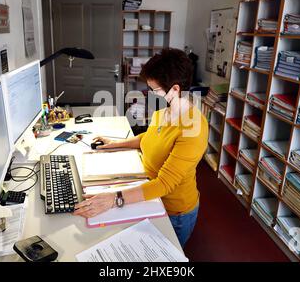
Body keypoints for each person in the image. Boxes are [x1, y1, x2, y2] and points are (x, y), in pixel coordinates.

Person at [75, 48, 209, 247]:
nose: (150, 93)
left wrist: (114, 199)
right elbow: (149, 138)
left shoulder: (193, 128)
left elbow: (164, 184)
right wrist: (114, 144)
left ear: (175, 89)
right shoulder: (163, 112)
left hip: (173, 211)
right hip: (148, 194)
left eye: (154, 90)